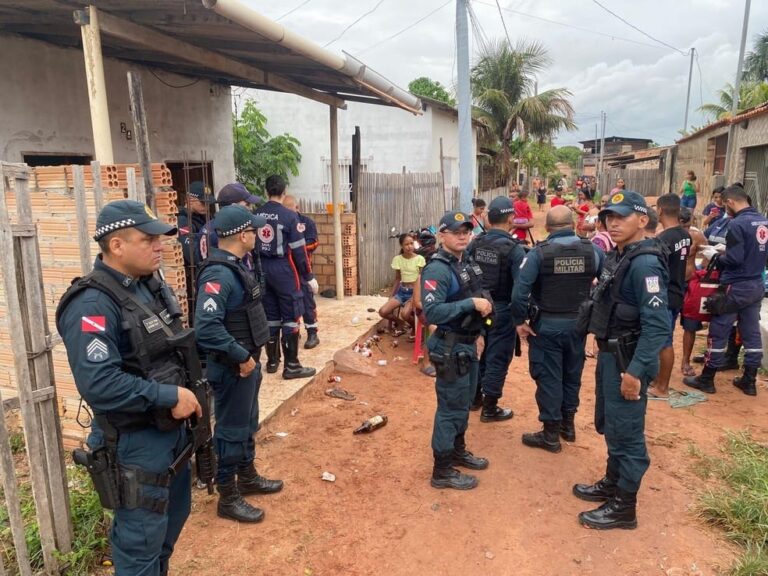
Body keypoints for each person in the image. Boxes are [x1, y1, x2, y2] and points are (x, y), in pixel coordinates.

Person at [56, 200, 203, 575]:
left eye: (159, 239)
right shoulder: (92, 303)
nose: (159, 246)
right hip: (135, 443)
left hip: (169, 434)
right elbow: (99, 382)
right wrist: (169, 396)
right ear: (116, 246)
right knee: (140, 548)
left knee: (167, 532)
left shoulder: (146, 287)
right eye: (147, 239)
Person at [573, 191, 670, 530]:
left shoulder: (645, 263)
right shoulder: (622, 254)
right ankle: (612, 483)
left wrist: (636, 372)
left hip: (629, 361)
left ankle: (624, 508)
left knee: (627, 434)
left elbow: (658, 327)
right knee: (611, 424)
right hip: (611, 356)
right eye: (609, 217)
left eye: (622, 217)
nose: (612, 223)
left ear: (642, 221)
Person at [194, 205, 283, 523]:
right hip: (233, 366)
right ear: (243, 234)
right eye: (254, 230)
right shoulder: (218, 274)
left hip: (246, 364)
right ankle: (228, 497)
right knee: (231, 431)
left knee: (246, 425)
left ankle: (247, 477)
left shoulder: (236, 265)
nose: (258, 234)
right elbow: (206, 327)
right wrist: (241, 356)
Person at [512, 205, 603, 452]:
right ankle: (568, 426)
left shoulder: (538, 254)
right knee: (572, 373)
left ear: (548, 228)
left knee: (549, 377)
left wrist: (520, 321)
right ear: (574, 224)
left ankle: (551, 434)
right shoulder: (593, 251)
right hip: (579, 326)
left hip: (547, 327)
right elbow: (604, 285)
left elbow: (520, 292)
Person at [421, 211, 493, 490]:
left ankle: (458, 450)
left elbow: (481, 299)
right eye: (455, 231)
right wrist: (469, 305)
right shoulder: (438, 269)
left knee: (463, 404)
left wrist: (480, 334)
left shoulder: (465, 263)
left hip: (468, 343)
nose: (462, 235)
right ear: (442, 235)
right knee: (450, 409)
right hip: (450, 347)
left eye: (466, 231)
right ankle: (442, 471)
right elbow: (432, 311)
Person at [684, 184, 768, 396]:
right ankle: (749, 381)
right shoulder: (763, 221)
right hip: (755, 284)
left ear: (730, 202)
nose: (724, 209)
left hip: (734, 286)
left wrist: (715, 255)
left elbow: (734, 258)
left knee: (719, 331)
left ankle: (707, 378)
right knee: (751, 333)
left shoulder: (737, 224)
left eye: (724, 205)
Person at [467, 196, 526, 422]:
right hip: (501, 311)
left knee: (478, 352)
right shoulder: (514, 249)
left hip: (477, 307)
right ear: (511, 219)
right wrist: (520, 317)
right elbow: (520, 288)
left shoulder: (476, 242)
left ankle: (475, 398)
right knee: (498, 357)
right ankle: (490, 408)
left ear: (489, 218)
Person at [255, 175, 317, 379]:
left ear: (266, 191)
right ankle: (291, 366)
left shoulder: (257, 213)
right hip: (283, 269)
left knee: (271, 316)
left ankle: (272, 362)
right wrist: (308, 276)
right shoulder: (289, 216)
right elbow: (299, 252)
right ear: (284, 192)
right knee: (291, 316)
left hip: (262, 268)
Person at [648, 194, 691, 398]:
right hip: (677, 291)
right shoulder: (684, 235)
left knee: (664, 340)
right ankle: (658, 380)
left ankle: (662, 387)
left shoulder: (664, 239)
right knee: (665, 336)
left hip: (665, 294)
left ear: (660, 211)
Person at [283, 195, 321, 349]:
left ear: (296, 208)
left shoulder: (307, 223)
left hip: (303, 268)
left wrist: (297, 247)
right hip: (286, 270)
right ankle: (294, 331)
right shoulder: (282, 223)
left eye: (289, 210)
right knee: (290, 302)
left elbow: (314, 243)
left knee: (307, 301)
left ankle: (312, 332)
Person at [678, 207, 710, 378]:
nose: (686, 230)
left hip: (689, 284)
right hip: (670, 285)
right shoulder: (665, 235)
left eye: (688, 226)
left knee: (690, 325)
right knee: (663, 325)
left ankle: (685, 361)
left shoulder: (696, 236)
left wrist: (699, 270)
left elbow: (709, 254)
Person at [198, 182, 263, 262]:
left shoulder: (212, 227)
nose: (251, 208)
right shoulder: (220, 232)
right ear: (233, 206)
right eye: (247, 204)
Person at [378, 233, 426, 329]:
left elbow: (422, 279)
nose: (409, 247)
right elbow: (398, 278)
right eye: (406, 244)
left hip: (415, 293)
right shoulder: (397, 259)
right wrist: (391, 295)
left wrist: (416, 297)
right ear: (401, 246)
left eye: (411, 243)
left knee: (405, 314)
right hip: (402, 292)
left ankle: (414, 328)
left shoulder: (419, 259)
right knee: (383, 311)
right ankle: (402, 324)